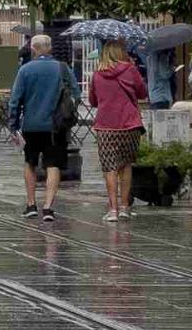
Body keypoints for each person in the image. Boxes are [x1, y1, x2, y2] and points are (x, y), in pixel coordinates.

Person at [8, 34, 80, 222]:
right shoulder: (62, 68)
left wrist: (13, 125)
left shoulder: (25, 70)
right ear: (49, 48)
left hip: (31, 125)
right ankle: (48, 207)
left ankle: (31, 204)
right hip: (56, 127)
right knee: (53, 165)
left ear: (33, 49)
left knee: (30, 163)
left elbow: (15, 100)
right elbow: (76, 94)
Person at [89, 39, 148, 222]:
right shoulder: (130, 70)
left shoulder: (98, 74)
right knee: (126, 165)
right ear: (121, 52)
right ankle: (124, 208)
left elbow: (93, 101)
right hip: (129, 125)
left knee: (110, 168)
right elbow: (142, 93)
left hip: (106, 126)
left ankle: (112, 210)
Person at [144, 43, 177, 110]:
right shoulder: (162, 56)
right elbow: (164, 74)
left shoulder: (150, 56)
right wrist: (172, 69)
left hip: (153, 95)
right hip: (162, 95)